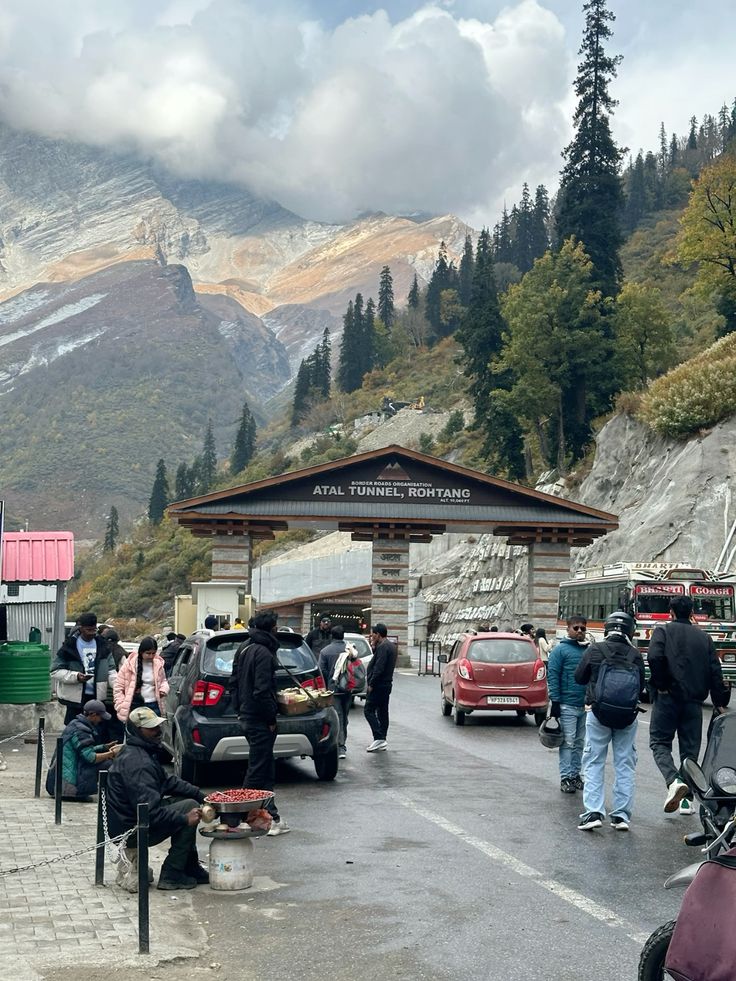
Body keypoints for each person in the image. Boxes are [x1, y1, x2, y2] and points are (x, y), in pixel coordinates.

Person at [106, 706, 208, 890]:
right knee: (189, 808)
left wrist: (202, 795)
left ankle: (190, 866)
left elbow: (168, 781)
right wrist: (185, 819)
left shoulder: (138, 751)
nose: (158, 731)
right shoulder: (138, 763)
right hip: (132, 830)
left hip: (129, 821)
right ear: (137, 731)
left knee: (187, 801)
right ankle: (172, 873)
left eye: (158, 726)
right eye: (151, 728)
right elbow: (150, 813)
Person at [648, 595, 731, 814]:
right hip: (694, 702)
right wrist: (719, 702)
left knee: (659, 743)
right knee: (690, 752)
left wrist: (662, 684)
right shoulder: (704, 638)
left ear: (671, 612)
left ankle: (674, 781)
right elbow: (715, 671)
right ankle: (686, 801)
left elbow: (654, 658)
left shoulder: (662, 631)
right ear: (692, 613)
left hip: (667, 700)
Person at [573, 612, 646, 831]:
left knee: (594, 760)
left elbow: (579, 678)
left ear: (607, 628)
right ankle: (621, 816)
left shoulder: (595, 650)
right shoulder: (635, 654)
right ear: (630, 631)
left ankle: (594, 812)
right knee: (625, 763)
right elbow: (641, 686)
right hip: (627, 716)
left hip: (599, 713)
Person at [236, 610, 290, 836]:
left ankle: (270, 816)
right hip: (258, 718)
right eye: (276, 625)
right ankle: (238, 817)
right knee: (258, 769)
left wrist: (239, 710)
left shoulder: (245, 648)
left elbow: (234, 683)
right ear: (272, 628)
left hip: (247, 715)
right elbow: (262, 691)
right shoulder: (263, 653)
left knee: (266, 766)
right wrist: (270, 719)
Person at [45, 699, 121, 800]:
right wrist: (111, 753)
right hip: (68, 788)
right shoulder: (81, 731)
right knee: (108, 764)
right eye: (100, 717)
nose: (101, 720)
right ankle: (109, 796)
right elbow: (91, 758)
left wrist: (104, 747)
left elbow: (83, 750)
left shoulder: (75, 724)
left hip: (57, 784)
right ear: (93, 714)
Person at [547, 614, 589, 794]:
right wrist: (555, 702)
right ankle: (565, 778)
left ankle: (575, 775)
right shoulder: (559, 651)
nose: (579, 631)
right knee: (568, 743)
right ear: (568, 629)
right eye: (576, 628)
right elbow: (553, 676)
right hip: (566, 705)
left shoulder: (588, 650)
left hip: (584, 705)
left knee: (580, 743)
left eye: (583, 628)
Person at [51, 612, 118, 724]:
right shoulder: (69, 647)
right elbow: (55, 671)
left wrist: (119, 687)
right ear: (81, 628)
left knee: (97, 733)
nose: (92, 633)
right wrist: (76, 677)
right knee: (75, 730)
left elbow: (111, 672)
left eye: (94, 630)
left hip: (97, 700)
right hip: (75, 701)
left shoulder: (103, 646)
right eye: (88, 630)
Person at [114, 636, 169, 722]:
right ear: (141, 652)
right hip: (134, 705)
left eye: (153, 653)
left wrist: (163, 690)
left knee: (154, 733)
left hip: (154, 705)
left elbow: (163, 681)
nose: (151, 656)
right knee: (135, 734)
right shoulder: (129, 664)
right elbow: (118, 686)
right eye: (148, 653)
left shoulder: (158, 664)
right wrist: (120, 705)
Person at [318, 624, 350, 759]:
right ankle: (342, 743)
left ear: (332, 636)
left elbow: (322, 671)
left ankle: (340, 746)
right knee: (345, 717)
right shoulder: (350, 650)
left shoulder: (325, 651)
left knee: (338, 716)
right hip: (348, 689)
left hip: (333, 690)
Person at [364, 623, 397, 752]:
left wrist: (371, 684)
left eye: (373, 634)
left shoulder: (383, 647)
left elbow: (379, 667)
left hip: (379, 685)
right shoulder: (390, 646)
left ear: (378, 634)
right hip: (386, 684)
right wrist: (373, 646)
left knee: (368, 710)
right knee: (383, 711)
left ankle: (378, 737)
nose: (372, 636)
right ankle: (382, 738)